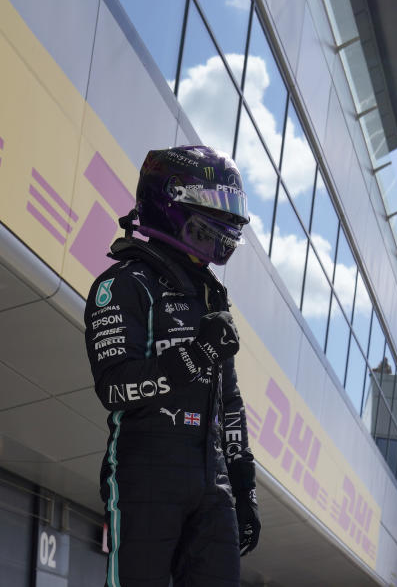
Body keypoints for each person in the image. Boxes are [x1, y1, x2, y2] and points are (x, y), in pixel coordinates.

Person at [84, 146, 261, 587]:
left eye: (231, 207)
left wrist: (244, 487)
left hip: (212, 479)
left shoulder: (211, 297)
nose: (226, 220)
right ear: (172, 201)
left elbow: (229, 402)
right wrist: (195, 355)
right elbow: (114, 387)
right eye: (216, 204)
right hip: (145, 470)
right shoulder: (123, 282)